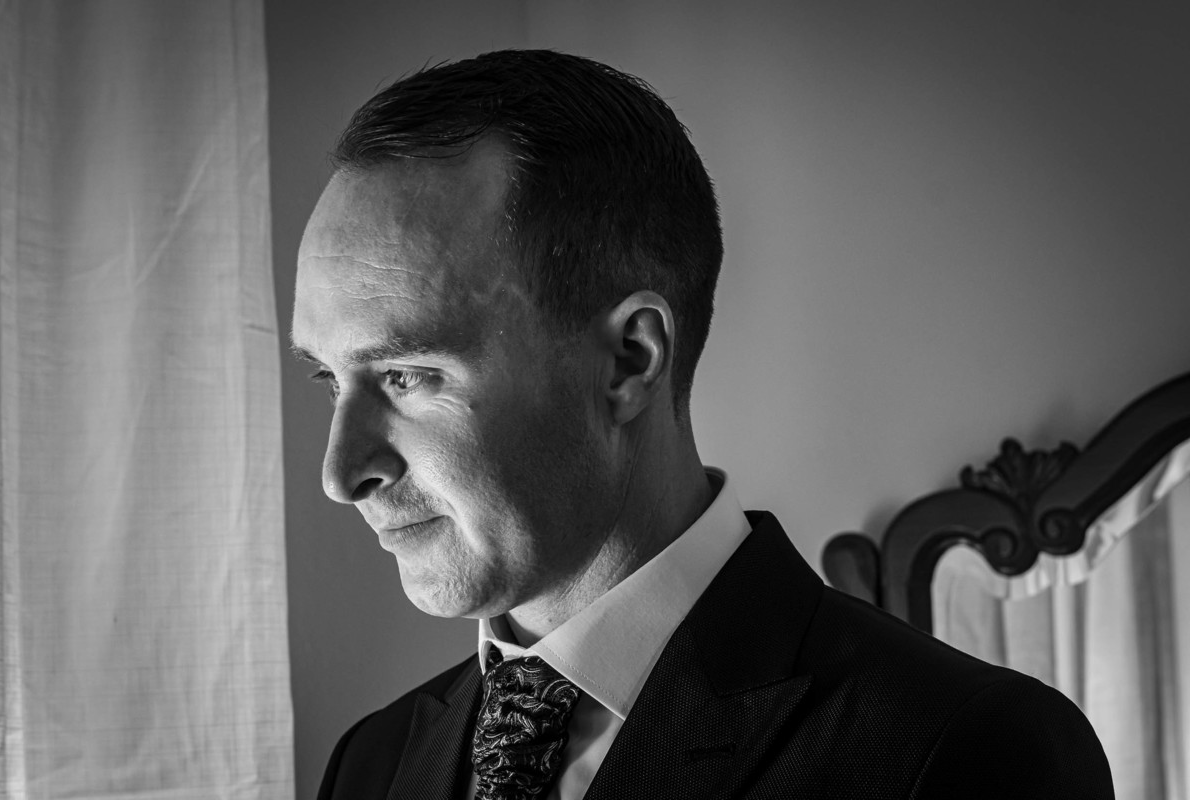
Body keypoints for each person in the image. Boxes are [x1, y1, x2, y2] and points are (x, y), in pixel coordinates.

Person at [292, 49, 1112, 800]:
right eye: (331, 379)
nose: (340, 473)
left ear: (629, 361)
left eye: (405, 376)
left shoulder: (965, 750)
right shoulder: (371, 762)